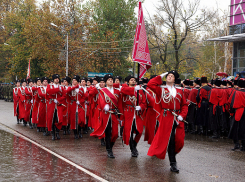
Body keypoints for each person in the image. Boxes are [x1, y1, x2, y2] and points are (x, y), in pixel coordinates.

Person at [147, 71, 188, 173]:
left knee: (179, 140)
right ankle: (173, 164)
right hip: (166, 117)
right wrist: (160, 76)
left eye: (172, 76)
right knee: (170, 141)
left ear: (175, 79)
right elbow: (150, 84)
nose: (169, 77)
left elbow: (184, 105)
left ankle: (172, 155)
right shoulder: (160, 89)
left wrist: (182, 116)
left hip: (177, 118)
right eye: (168, 76)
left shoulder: (179, 91)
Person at [91, 74, 121, 158]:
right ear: (106, 82)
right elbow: (101, 100)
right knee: (107, 132)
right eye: (109, 80)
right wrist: (105, 106)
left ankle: (110, 147)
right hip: (106, 114)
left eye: (112, 79)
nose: (111, 80)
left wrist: (121, 116)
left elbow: (120, 103)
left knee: (115, 134)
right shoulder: (102, 90)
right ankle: (109, 150)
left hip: (114, 113)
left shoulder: (117, 91)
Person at [120, 75, 147, 157]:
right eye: (131, 80)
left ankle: (134, 145)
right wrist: (135, 89)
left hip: (137, 113)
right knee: (130, 132)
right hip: (128, 113)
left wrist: (141, 107)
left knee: (139, 131)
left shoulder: (140, 90)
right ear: (128, 82)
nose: (133, 81)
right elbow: (124, 91)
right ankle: (133, 149)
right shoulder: (124, 88)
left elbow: (144, 102)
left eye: (134, 80)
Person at [46, 74, 66, 140]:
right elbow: (49, 92)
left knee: (59, 119)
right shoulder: (50, 86)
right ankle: (53, 134)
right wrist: (58, 89)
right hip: (51, 104)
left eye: (58, 78)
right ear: (53, 79)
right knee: (51, 119)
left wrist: (58, 100)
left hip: (58, 104)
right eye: (55, 78)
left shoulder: (61, 87)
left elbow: (64, 95)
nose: (57, 79)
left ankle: (57, 132)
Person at [228, 78, 245, 151]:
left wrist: (231, 112)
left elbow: (231, 104)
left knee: (235, 128)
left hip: (239, 112)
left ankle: (236, 144)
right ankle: (244, 146)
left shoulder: (236, 92)